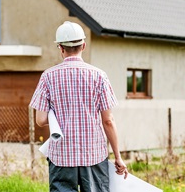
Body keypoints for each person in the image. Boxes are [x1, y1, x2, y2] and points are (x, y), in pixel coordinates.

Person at [29, 21, 128, 192]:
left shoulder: (48, 77)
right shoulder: (99, 76)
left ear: (60, 48)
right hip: (93, 156)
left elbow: (40, 119)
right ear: (83, 45)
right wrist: (118, 157)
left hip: (61, 157)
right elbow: (108, 121)